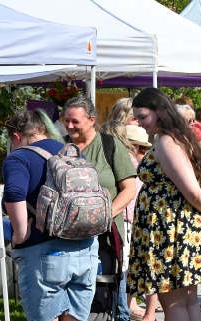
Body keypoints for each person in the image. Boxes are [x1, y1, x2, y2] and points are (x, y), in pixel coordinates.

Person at [128, 87, 201, 321]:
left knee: (174, 304)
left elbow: (191, 188)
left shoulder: (167, 141)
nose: (140, 123)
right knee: (187, 302)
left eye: (143, 117)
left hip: (170, 230)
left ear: (159, 111)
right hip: (177, 227)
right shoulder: (176, 137)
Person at [4, 109, 98, 321]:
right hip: (86, 250)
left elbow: (14, 192)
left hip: (44, 253)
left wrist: (20, 234)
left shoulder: (19, 157)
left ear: (17, 137)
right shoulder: (72, 151)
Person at [63, 97, 137, 321]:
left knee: (106, 294)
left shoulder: (110, 145)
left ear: (92, 120)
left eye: (75, 121)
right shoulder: (61, 146)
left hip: (106, 237)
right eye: (66, 120)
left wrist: (102, 217)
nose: (69, 126)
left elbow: (129, 189)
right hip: (67, 236)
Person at [99, 121, 149, 320]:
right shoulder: (124, 156)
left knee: (121, 268)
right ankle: (122, 309)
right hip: (127, 218)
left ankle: (122, 310)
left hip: (124, 218)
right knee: (122, 267)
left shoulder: (117, 156)